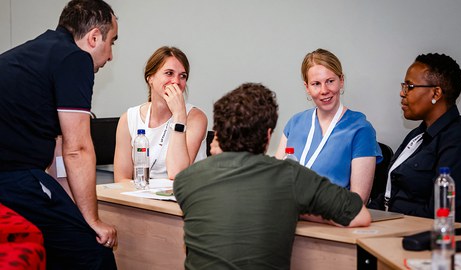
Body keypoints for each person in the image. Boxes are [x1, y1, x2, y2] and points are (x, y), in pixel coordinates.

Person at [173, 82, 371, 270]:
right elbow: (360, 216)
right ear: (268, 136)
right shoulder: (290, 176)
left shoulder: (185, 181)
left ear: (218, 133)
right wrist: (296, 206)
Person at [0, 0, 118, 269]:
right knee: (93, 253)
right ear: (94, 37)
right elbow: (77, 149)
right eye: (112, 42)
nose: (110, 55)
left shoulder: (37, 52)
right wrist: (93, 221)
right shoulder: (75, 59)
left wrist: (73, 209)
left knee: (53, 248)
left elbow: (58, 148)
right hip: (12, 175)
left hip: (16, 173)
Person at [368, 53, 461, 233]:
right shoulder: (417, 135)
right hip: (392, 228)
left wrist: (390, 215)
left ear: (436, 93)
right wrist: (366, 213)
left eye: (409, 86)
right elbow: (389, 192)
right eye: (403, 86)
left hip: (425, 240)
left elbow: (440, 214)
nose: (402, 93)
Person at [275, 48, 382, 204]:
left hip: (332, 222)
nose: (324, 90)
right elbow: (275, 180)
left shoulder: (360, 130)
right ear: (307, 87)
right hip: (289, 218)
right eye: (316, 84)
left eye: (330, 81)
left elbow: (358, 202)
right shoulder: (295, 123)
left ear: (341, 81)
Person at [114, 46, 207, 181]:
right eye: (169, 73)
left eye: (183, 76)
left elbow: (177, 173)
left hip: (182, 199)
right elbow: (121, 179)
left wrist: (179, 115)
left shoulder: (196, 118)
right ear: (150, 77)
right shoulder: (128, 119)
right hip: (141, 198)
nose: (176, 81)